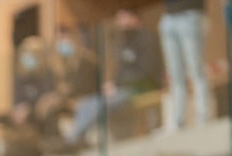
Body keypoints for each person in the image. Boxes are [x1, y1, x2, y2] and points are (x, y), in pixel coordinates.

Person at [63, 9, 162, 147]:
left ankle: (74, 139)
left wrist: (118, 85)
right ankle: (75, 138)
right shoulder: (123, 42)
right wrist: (112, 84)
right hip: (122, 88)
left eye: (123, 17)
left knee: (100, 104)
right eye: (118, 18)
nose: (120, 22)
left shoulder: (147, 38)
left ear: (134, 18)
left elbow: (146, 71)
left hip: (142, 86)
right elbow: (120, 72)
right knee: (85, 104)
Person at [159, 1, 211, 131]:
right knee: (175, 75)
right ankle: (177, 121)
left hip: (190, 14)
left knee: (196, 70)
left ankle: (203, 117)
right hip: (168, 17)